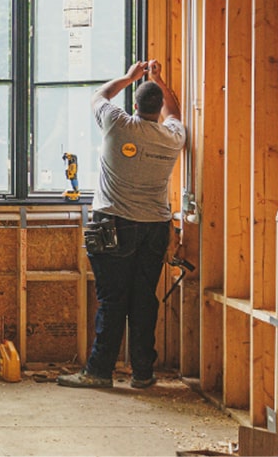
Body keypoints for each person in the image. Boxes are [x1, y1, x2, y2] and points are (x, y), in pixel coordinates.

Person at [58, 59, 185, 390]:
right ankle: (143, 372)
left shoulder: (117, 124)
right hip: (156, 227)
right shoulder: (172, 137)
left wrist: (130, 77)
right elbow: (176, 113)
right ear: (157, 109)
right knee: (143, 299)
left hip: (114, 224)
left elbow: (99, 95)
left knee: (113, 299)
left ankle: (99, 371)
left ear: (135, 105)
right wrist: (159, 78)